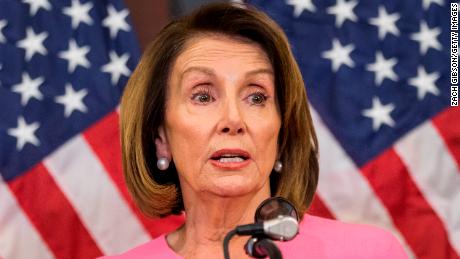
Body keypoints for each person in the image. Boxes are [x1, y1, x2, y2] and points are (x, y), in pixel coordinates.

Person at [105, 2, 408, 259]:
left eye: (257, 97)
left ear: (282, 130)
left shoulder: (368, 252)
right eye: (203, 96)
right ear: (161, 139)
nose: (233, 119)